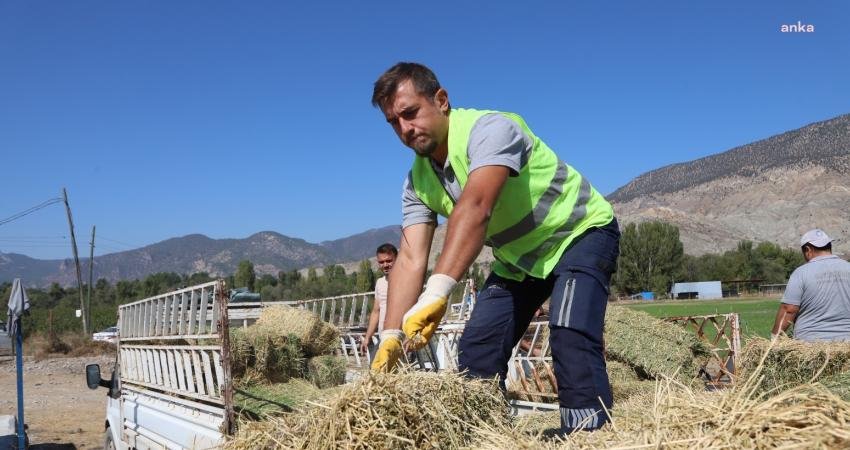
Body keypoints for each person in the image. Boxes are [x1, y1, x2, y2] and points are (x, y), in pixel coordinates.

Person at [369, 62, 620, 434]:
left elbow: (476, 208)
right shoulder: (417, 181)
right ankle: (485, 436)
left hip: (578, 235)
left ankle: (588, 436)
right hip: (519, 261)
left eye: (410, 113)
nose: (405, 129)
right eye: (394, 122)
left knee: (568, 331)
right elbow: (409, 257)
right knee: (478, 348)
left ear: (441, 101)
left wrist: (438, 291)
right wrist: (390, 335)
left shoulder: (491, 129)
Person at [772, 229, 850, 342]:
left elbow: (789, 309)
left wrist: (774, 338)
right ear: (829, 246)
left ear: (808, 250)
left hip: (810, 344)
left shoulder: (800, 273)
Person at [360, 243, 398, 358]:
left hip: (400, 339)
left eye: (389, 261)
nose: (385, 265)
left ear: (397, 259)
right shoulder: (380, 283)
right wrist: (367, 337)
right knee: (376, 371)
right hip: (383, 338)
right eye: (381, 262)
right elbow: (376, 311)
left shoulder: (406, 281)